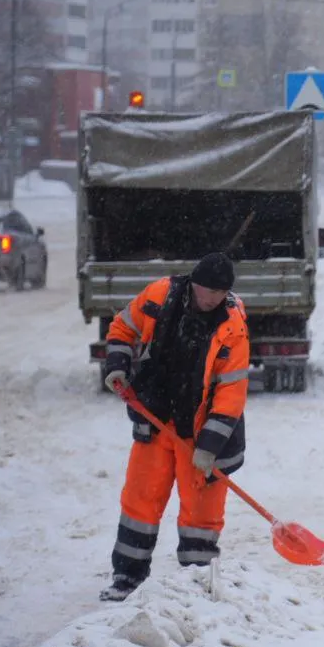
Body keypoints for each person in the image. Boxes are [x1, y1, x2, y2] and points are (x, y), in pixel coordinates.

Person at [98, 252, 250, 602]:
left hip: (203, 433)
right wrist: (118, 365)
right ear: (192, 282)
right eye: (204, 289)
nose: (210, 298)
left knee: (201, 514)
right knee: (140, 502)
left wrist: (209, 445)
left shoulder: (233, 325)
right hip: (156, 418)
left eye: (218, 292)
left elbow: (231, 391)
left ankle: (196, 584)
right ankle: (127, 577)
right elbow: (123, 327)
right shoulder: (160, 296)